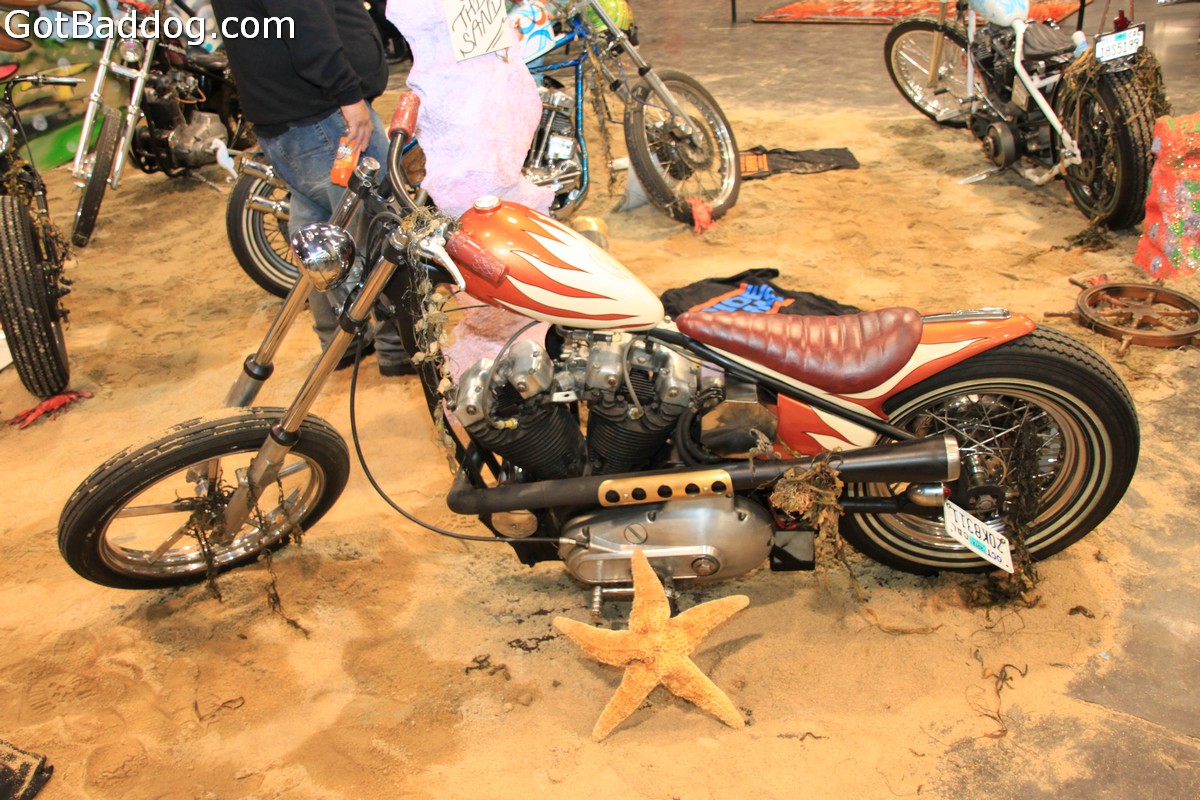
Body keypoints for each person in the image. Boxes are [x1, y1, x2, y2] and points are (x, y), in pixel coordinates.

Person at [210, 0, 413, 375]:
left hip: (288, 116)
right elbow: (303, 20)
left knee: (319, 232)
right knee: (382, 228)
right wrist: (349, 96)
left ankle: (339, 341)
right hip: (323, 112)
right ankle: (398, 346)